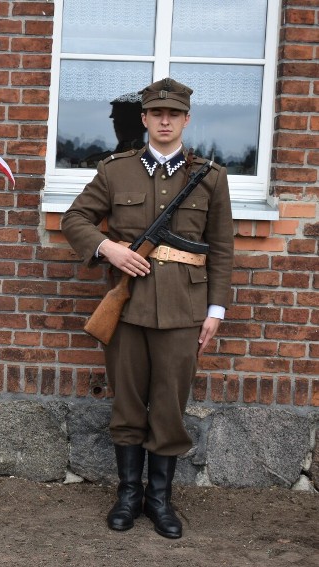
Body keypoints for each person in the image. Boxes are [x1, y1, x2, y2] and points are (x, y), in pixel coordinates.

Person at [61, 78, 234, 539]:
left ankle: (160, 499)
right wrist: (107, 249)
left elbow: (220, 247)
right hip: (128, 308)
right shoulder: (116, 171)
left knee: (169, 408)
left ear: (185, 120)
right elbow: (74, 218)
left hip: (184, 311)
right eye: (156, 113)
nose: (164, 120)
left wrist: (214, 310)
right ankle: (128, 495)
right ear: (144, 119)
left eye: (173, 114)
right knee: (128, 405)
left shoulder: (211, 177)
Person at [79, 92, 147, 168]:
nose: (118, 127)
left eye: (124, 121)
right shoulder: (107, 158)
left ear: (142, 124)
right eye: (116, 121)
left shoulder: (150, 159)